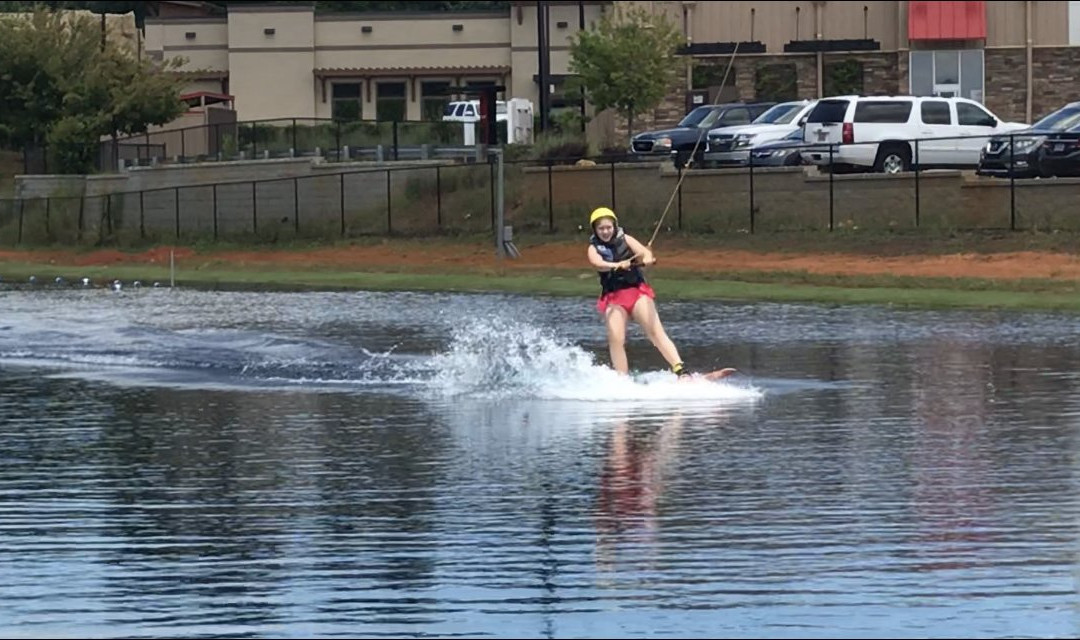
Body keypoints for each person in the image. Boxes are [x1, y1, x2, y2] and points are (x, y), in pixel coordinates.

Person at [586, 206, 690, 378]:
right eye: (601, 228)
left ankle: (681, 371)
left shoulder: (625, 238)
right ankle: (622, 379)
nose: (605, 231)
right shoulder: (593, 248)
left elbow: (644, 252)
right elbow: (598, 263)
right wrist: (616, 265)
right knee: (616, 339)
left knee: (655, 331)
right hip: (614, 299)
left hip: (636, 293)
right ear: (595, 230)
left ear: (614, 226)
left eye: (608, 227)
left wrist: (647, 258)